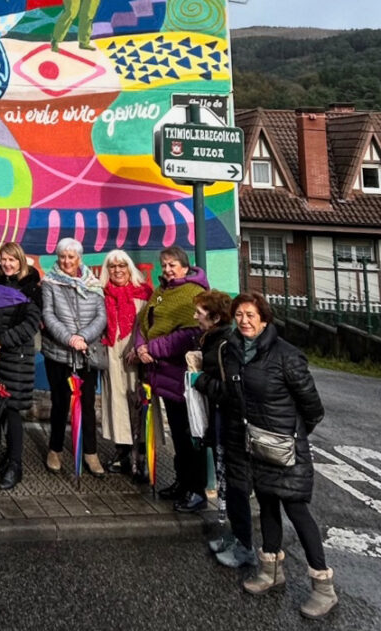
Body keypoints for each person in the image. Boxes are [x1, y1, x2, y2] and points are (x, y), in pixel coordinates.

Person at [214, 293, 336, 619]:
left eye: (251, 314)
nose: (244, 320)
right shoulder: (234, 353)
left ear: (264, 319)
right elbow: (234, 398)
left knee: (297, 512)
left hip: (286, 449)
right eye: (239, 314)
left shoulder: (287, 356)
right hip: (255, 447)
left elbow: (313, 409)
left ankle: (323, 587)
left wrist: (293, 436)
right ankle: (271, 570)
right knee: (267, 505)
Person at [134, 246, 207, 512]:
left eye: (173, 265)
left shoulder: (192, 294)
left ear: (185, 267)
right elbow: (143, 322)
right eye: (164, 265)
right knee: (177, 434)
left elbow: (187, 336)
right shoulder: (162, 292)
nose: (167, 269)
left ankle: (196, 490)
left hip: (182, 378)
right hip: (164, 375)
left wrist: (150, 349)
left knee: (190, 436)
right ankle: (182, 483)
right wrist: (140, 345)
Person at [189, 290, 252, 568]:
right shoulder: (214, 339)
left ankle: (244, 544)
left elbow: (229, 390)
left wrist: (199, 379)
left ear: (214, 317)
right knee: (226, 480)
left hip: (232, 421)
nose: (194, 317)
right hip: (221, 419)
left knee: (234, 484)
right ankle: (231, 535)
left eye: (199, 313)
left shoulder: (225, 344)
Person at [0, 242, 42, 490]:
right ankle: (5, 457)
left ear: (21, 261)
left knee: (12, 410)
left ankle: (15, 465)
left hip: (16, 360)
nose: (7, 264)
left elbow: (30, 325)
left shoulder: (31, 289)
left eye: (12, 260)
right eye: (4, 259)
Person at [41, 238, 107, 476]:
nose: (66, 261)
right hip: (59, 353)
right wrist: (70, 338)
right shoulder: (49, 282)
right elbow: (48, 314)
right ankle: (55, 450)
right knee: (59, 403)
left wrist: (83, 337)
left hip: (86, 353)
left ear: (80, 258)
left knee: (87, 404)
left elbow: (101, 316)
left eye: (71, 257)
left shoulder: (93, 283)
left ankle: (91, 453)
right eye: (62, 257)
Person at [98, 250, 152, 477]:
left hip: (136, 354)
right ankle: (122, 451)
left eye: (122, 265)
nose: (117, 270)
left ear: (129, 267)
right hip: (112, 353)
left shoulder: (144, 293)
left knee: (138, 400)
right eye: (112, 266)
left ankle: (141, 455)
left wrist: (141, 347)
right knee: (116, 401)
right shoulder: (102, 294)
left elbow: (150, 325)